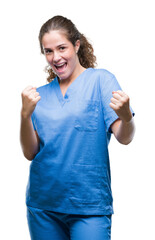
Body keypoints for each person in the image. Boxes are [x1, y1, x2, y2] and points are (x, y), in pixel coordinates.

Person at [20, 15, 135, 240]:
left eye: (62, 48)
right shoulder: (39, 96)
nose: (56, 57)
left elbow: (125, 137)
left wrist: (126, 117)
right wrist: (25, 115)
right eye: (48, 51)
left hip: (89, 205)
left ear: (77, 45)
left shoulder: (101, 81)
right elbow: (29, 153)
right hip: (43, 206)